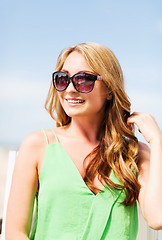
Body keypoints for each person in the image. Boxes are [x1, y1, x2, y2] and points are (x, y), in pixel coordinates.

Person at [5, 42, 162, 240]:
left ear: (110, 89)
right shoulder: (38, 145)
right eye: (62, 79)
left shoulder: (135, 153)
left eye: (83, 80)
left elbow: (157, 218)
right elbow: (15, 233)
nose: (70, 89)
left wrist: (157, 141)